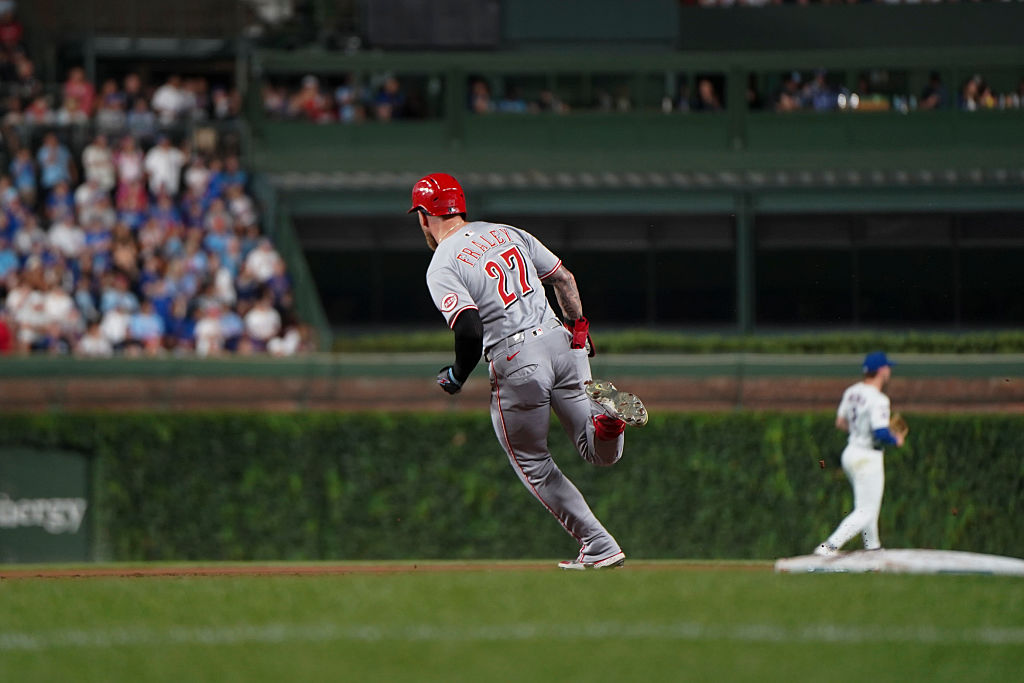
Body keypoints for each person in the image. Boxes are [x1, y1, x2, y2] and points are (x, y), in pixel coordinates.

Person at [410, 172, 648, 571]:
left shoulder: (442, 262)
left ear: (423, 216)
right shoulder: (506, 231)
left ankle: (598, 543)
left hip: (517, 356)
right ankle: (608, 421)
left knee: (534, 462)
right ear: (460, 206)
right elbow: (563, 278)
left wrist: (456, 375)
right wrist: (580, 328)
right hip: (561, 339)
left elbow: (469, 327)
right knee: (596, 451)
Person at [815, 351, 905, 557]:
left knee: (866, 506)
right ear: (881, 371)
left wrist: (859, 432)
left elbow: (840, 422)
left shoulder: (852, 391)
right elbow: (880, 432)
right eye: (887, 368)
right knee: (866, 511)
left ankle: (873, 549)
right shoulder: (879, 399)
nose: (889, 371)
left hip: (851, 452)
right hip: (868, 457)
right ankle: (828, 547)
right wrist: (896, 439)